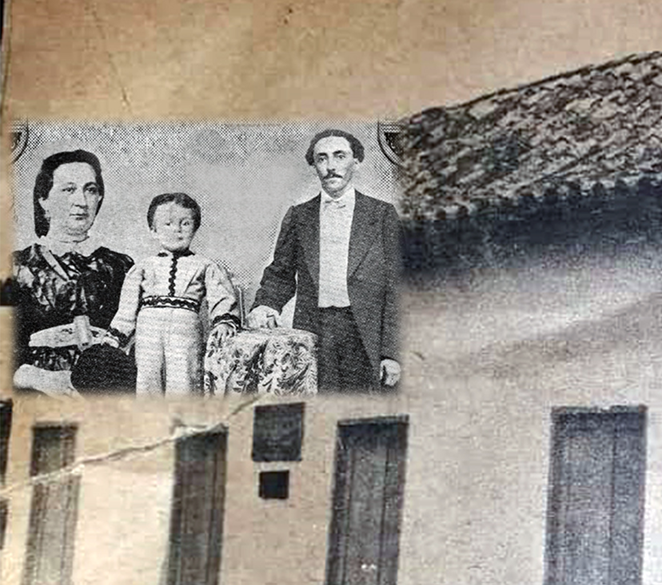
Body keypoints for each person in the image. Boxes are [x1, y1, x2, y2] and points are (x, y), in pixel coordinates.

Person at [248, 129, 400, 393]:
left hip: (366, 331)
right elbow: (280, 273)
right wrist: (265, 305)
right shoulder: (299, 216)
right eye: (322, 159)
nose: (331, 167)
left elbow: (398, 287)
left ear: (356, 161)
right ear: (314, 165)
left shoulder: (382, 214)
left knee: (364, 415)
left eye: (339, 156)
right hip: (315, 329)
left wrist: (392, 352)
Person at [3, 149, 134, 396]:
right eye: (68, 189)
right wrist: (37, 377)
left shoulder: (121, 267)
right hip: (37, 395)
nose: (81, 202)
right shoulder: (16, 267)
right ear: (44, 200)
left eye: (90, 190)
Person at [106, 193, 240, 395]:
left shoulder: (206, 265)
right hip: (148, 330)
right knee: (147, 377)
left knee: (185, 378)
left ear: (195, 228)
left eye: (185, 223)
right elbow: (127, 309)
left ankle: (183, 422)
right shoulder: (142, 267)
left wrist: (223, 321)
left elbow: (220, 296)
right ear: (153, 229)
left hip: (185, 330)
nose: (176, 229)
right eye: (167, 224)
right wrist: (116, 336)